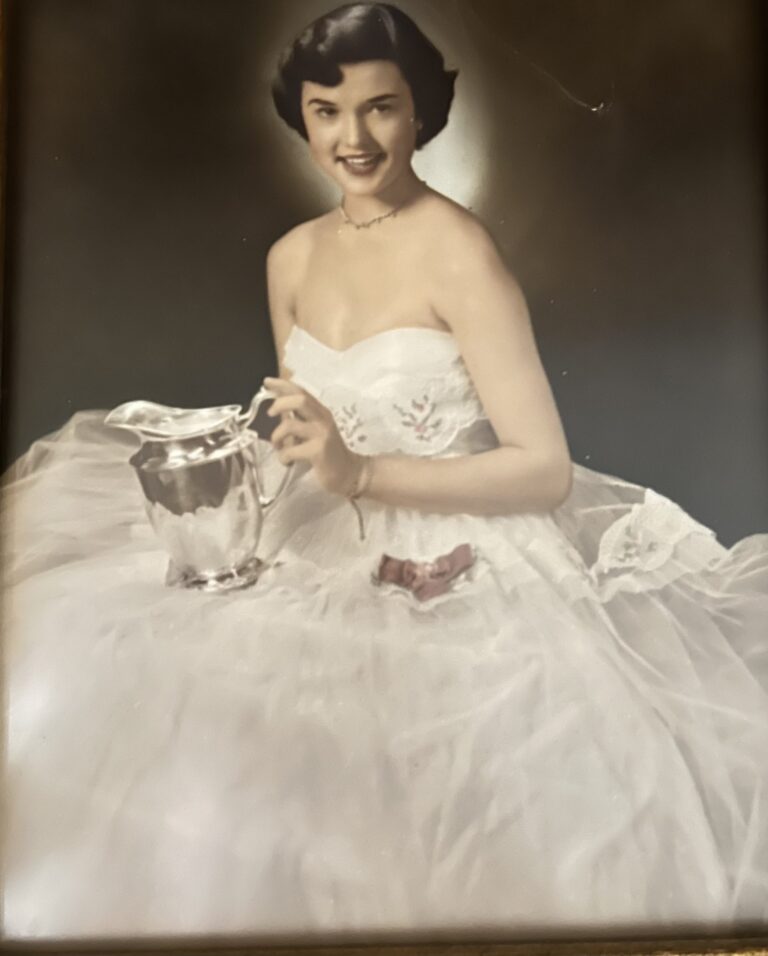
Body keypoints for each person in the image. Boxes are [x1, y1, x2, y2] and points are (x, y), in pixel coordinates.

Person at [3, 1, 768, 941]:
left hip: (467, 554)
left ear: (421, 113)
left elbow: (544, 471)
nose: (354, 138)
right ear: (301, 118)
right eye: (327, 111)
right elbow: (303, 435)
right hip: (313, 536)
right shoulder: (290, 259)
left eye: (380, 107)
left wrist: (362, 471)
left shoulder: (461, 251)